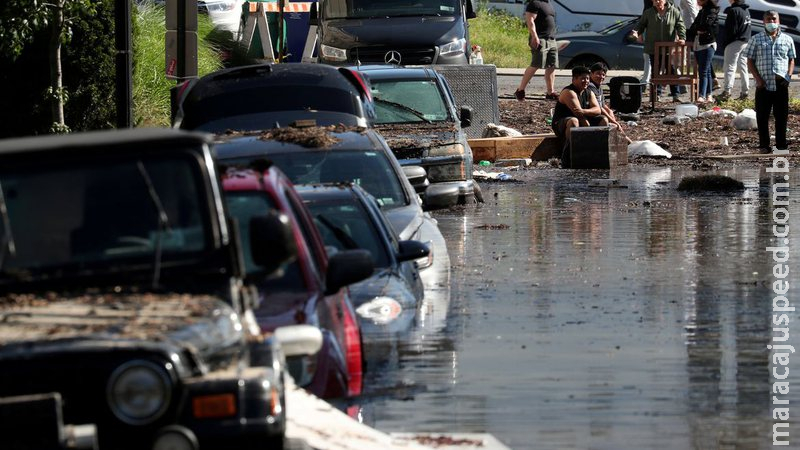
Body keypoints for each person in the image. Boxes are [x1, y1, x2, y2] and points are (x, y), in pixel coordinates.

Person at [746, 10, 796, 152]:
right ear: (764, 22)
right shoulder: (756, 39)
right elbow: (750, 60)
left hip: (781, 83)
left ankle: (781, 145)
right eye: (768, 19)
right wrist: (758, 79)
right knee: (762, 116)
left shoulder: (787, 39)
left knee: (781, 116)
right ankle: (764, 145)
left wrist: (788, 76)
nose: (771, 22)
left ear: (778, 21)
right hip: (763, 84)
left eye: (774, 19)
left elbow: (791, 59)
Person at [630, 0, 687, 103]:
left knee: (671, 71)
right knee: (656, 72)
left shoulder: (674, 11)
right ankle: (657, 94)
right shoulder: (648, 12)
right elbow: (641, 25)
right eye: (654, 0)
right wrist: (636, 32)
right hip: (653, 47)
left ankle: (675, 94)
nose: (657, 2)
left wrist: (682, 37)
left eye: (659, 0)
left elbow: (680, 25)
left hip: (669, 47)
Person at [551, 66, 608, 165]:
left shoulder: (589, 92)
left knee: (603, 120)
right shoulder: (569, 92)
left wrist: (583, 111)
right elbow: (578, 114)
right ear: (574, 79)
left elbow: (597, 110)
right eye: (583, 78)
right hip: (562, 124)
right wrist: (588, 130)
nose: (586, 81)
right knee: (574, 121)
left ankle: (599, 152)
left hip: (582, 119)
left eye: (587, 78)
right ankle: (568, 155)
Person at [515, 0, 558, 101]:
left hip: (551, 39)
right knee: (536, 64)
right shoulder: (535, 3)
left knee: (552, 66)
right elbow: (530, 20)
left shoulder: (549, 4)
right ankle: (520, 90)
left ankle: (550, 92)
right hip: (540, 38)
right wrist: (535, 36)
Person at [687, 0, 720, 103]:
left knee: (703, 71)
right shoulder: (702, 11)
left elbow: (706, 26)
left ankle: (702, 95)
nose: (697, 1)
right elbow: (693, 28)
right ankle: (709, 95)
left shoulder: (712, 11)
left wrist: (698, 29)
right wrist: (697, 30)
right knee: (707, 72)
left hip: (708, 44)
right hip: (698, 44)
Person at [719, 0, 752, 100]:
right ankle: (745, 92)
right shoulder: (746, 10)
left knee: (729, 66)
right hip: (745, 41)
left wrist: (725, 42)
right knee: (743, 67)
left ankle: (727, 91)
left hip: (734, 41)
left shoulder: (733, 10)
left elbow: (731, 30)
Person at [587, 62, 622, 128]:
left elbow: (603, 105)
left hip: (598, 114)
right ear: (591, 74)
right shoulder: (590, 87)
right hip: (590, 116)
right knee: (606, 121)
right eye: (598, 74)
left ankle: (623, 136)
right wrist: (613, 121)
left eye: (603, 75)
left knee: (610, 114)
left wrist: (610, 112)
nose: (601, 77)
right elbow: (600, 108)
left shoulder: (598, 87)